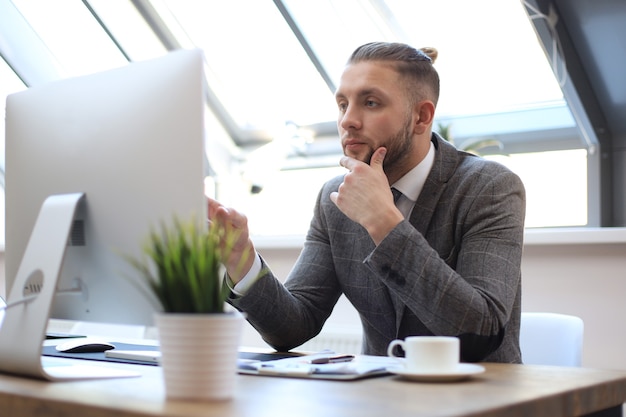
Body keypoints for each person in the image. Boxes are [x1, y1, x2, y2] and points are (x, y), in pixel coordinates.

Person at [208, 41, 525, 363]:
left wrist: (383, 222)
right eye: (343, 104)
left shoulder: (489, 187)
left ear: (421, 116)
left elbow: (478, 333)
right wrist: (242, 261)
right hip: (378, 400)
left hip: (483, 400)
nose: (348, 121)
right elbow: (294, 328)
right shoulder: (335, 199)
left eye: (371, 103)